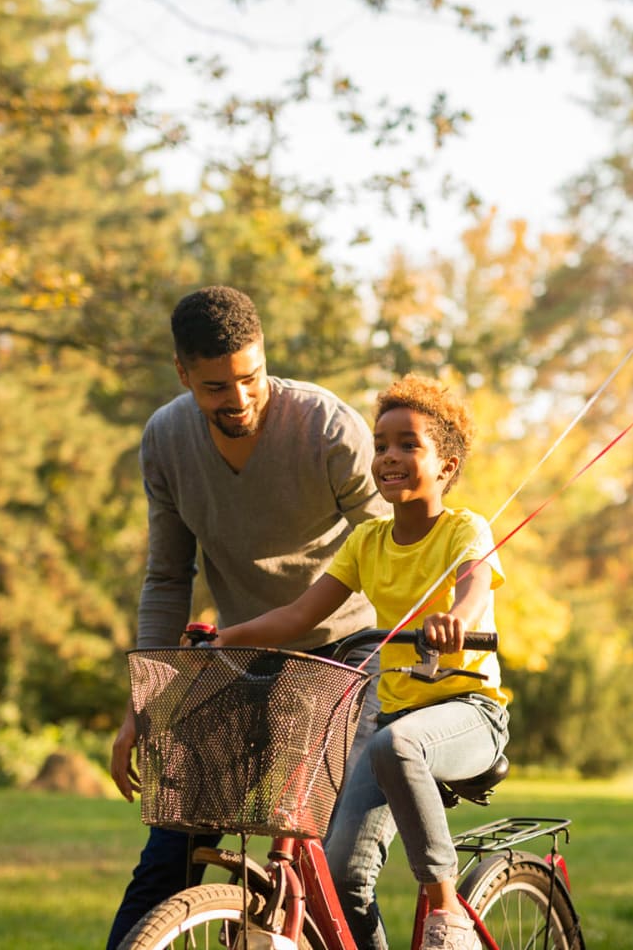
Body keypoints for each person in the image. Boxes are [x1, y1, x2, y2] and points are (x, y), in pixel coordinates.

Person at [106, 285, 390, 950]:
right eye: (214, 387)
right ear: (182, 373)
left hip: (348, 651)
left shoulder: (326, 427)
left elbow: (388, 548)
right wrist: (146, 703)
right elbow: (169, 578)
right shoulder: (166, 442)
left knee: (338, 862)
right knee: (170, 852)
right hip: (242, 652)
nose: (237, 399)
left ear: (265, 356)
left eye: (250, 377)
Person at [216, 374, 510, 950]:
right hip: (395, 727)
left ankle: (446, 914)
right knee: (342, 875)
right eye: (381, 445)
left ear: (447, 467)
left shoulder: (464, 529)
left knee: (393, 746)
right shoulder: (368, 541)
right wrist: (227, 638)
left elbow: (474, 589)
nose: (389, 456)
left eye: (408, 444)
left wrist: (458, 619)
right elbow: (299, 616)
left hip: (470, 714)